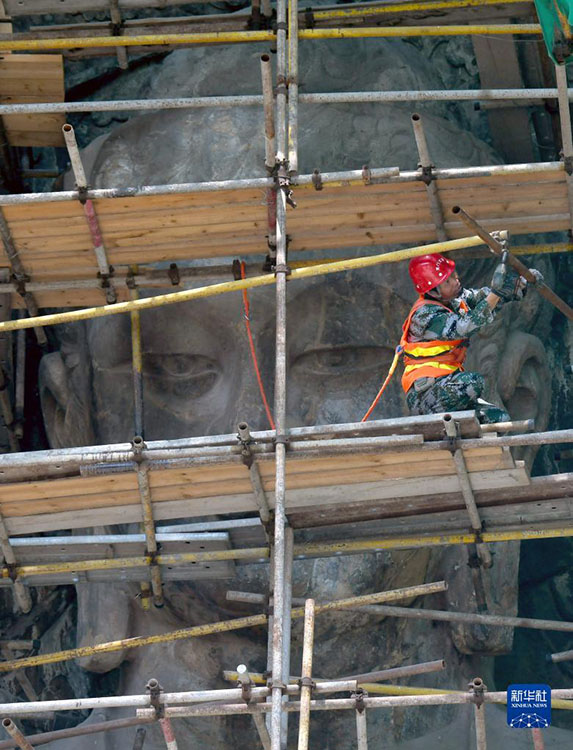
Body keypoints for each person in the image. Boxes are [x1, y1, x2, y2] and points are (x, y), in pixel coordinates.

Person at [402, 252, 541, 423]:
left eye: (453, 274)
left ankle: (462, 432)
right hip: (425, 395)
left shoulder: (454, 300)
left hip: (446, 388)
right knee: (473, 383)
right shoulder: (424, 316)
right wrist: (497, 293)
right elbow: (465, 326)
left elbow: (483, 297)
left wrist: (521, 283)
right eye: (447, 281)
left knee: (499, 419)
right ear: (434, 292)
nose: (455, 280)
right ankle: (434, 420)